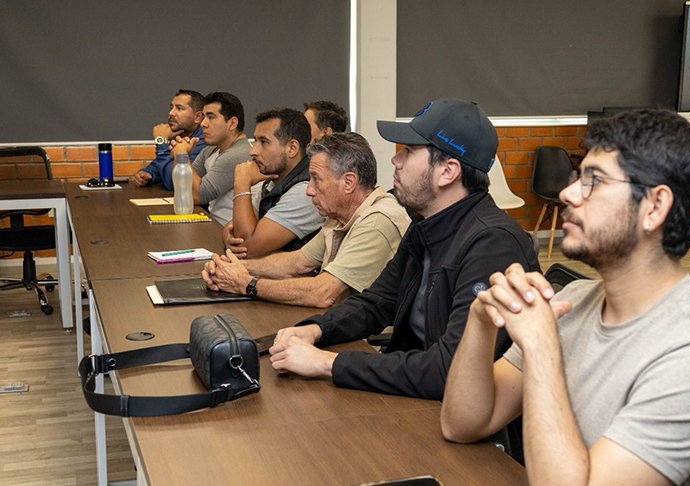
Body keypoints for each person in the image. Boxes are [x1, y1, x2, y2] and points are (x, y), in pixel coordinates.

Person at [440, 109, 690, 485]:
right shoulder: (576, 299)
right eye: (578, 177)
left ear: (654, 207)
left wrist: (541, 347)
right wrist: (481, 319)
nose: (567, 193)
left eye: (594, 181)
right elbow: (462, 424)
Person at [265, 98, 540, 400]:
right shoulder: (425, 225)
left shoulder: (493, 245)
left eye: (408, 151)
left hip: (453, 414)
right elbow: (376, 303)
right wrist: (315, 329)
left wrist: (327, 363)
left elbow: (451, 370)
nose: (395, 160)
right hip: (411, 393)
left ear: (447, 172)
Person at [202, 132, 411, 308]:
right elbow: (298, 262)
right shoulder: (339, 216)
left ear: (348, 182)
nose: (309, 190)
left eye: (316, 179)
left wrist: (245, 283)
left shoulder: (377, 222)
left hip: (367, 340)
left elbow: (323, 293)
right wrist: (233, 267)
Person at [222, 108, 325, 259]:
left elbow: (246, 248)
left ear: (292, 148)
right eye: (255, 141)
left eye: (264, 142)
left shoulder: (306, 191)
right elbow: (236, 227)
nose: (253, 151)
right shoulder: (275, 179)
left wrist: (242, 183)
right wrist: (227, 235)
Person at [171, 92, 251, 225]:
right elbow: (183, 186)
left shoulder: (237, 154)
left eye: (211, 117)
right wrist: (179, 154)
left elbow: (196, 196)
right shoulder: (211, 149)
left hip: (228, 230)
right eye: (203, 117)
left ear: (232, 123)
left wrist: (181, 155)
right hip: (212, 223)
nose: (203, 124)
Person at [130, 89, 206, 189]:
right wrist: (148, 173)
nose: (171, 113)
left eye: (179, 108)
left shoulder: (204, 140)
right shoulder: (179, 135)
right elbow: (164, 164)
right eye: (171, 108)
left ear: (197, 117)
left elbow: (175, 181)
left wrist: (161, 140)